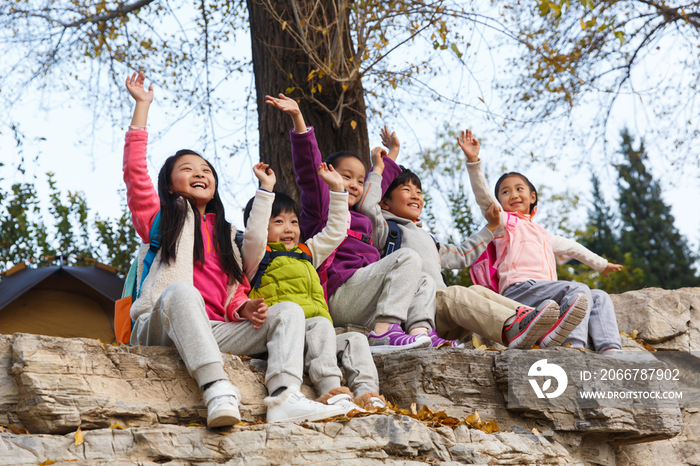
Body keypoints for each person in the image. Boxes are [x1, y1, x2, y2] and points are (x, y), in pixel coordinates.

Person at [123, 71, 345, 427]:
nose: (200, 172)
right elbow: (135, 174)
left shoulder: (226, 234)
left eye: (206, 169)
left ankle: (285, 396)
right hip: (161, 325)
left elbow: (233, 289)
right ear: (169, 183)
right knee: (182, 291)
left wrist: (244, 307)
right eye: (187, 168)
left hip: (212, 328)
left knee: (288, 311)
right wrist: (142, 108)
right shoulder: (162, 217)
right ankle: (215, 387)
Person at [265, 93, 460, 352]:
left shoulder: (361, 216)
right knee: (407, 257)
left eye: (359, 180)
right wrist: (299, 120)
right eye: (347, 177)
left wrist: (390, 156)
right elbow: (309, 169)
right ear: (329, 174)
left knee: (423, 279)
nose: (355, 185)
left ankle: (421, 332)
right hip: (340, 294)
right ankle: (383, 332)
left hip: (366, 293)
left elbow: (374, 189)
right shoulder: (324, 208)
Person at [358, 127, 562, 350]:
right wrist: (385, 161)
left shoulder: (429, 240)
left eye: (419, 191)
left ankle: (536, 322)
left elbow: (462, 255)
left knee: (475, 292)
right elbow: (368, 205)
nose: (416, 195)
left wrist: (491, 228)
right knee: (454, 294)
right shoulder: (387, 230)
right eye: (407, 190)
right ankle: (514, 326)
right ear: (385, 203)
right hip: (411, 309)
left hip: (440, 314)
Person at [459, 129, 623, 353]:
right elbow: (484, 198)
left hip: (546, 293)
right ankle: (571, 346)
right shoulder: (503, 223)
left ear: (532, 197)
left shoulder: (543, 234)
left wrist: (601, 265)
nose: (513, 194)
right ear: (499, 202)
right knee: (578, 289)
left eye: (519, 189)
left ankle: (611, 350)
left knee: (599, 297)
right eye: (505, 192)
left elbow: (574, 249)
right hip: (519, 291)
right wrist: (474, 161)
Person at [241, 164, 386, 410]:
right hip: (287, 336)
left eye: (294, 222)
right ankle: (331, 389)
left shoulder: (307, 253)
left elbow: (336, 232)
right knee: (320, 324)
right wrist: (266, 189)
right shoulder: (257, 257)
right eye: (278, 221)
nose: (289, 228)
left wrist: (338, 189)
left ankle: (368, 395)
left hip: (320, 337)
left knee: (355, 340)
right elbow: (254, 233)